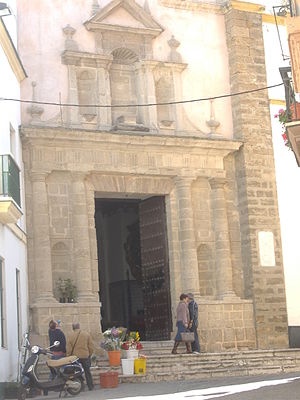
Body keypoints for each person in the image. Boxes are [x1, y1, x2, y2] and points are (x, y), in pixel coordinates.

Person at [66, 322, 94, 391]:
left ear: (73, 328)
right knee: (87, 372)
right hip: (85, 356)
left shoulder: (70, 336)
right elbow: (91, 346)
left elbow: (68, 348)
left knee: (76, 372)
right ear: (79, 327)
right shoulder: (86, 334)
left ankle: (80, 387)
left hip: (75, 357)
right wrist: (89, 354)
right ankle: (90, 386)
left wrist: (68, 356)